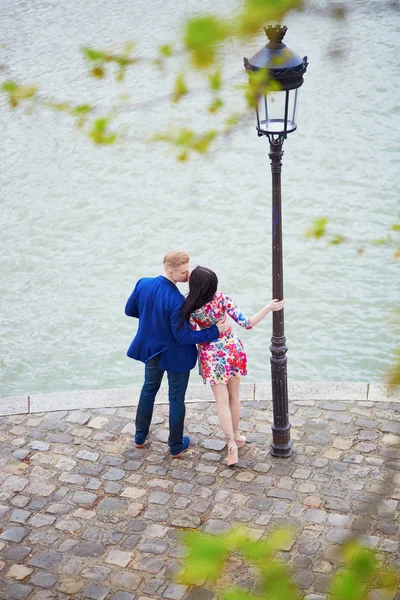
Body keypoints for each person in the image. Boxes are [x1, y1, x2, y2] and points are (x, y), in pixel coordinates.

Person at [125, 252, 227, 458]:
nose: (188, 275)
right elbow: (183, 337)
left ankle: (139, 437)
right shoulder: (177, 300)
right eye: (183, 272)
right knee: (176, 399)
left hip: (152, 351)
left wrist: (152, 319)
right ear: (170, 271)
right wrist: (216, 331)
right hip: (175, 356)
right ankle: (176, 445)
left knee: (148, 390)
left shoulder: (143, 284)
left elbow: (130, 310)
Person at [180, 266, 284, 466]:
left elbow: (191, 335)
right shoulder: (221, 298)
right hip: (232, 350)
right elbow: (247, 323)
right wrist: (269, 307)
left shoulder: (190, 307)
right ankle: (236, 435)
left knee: (221, 401)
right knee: (234, 396)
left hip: (211, 356)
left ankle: (231, 444)